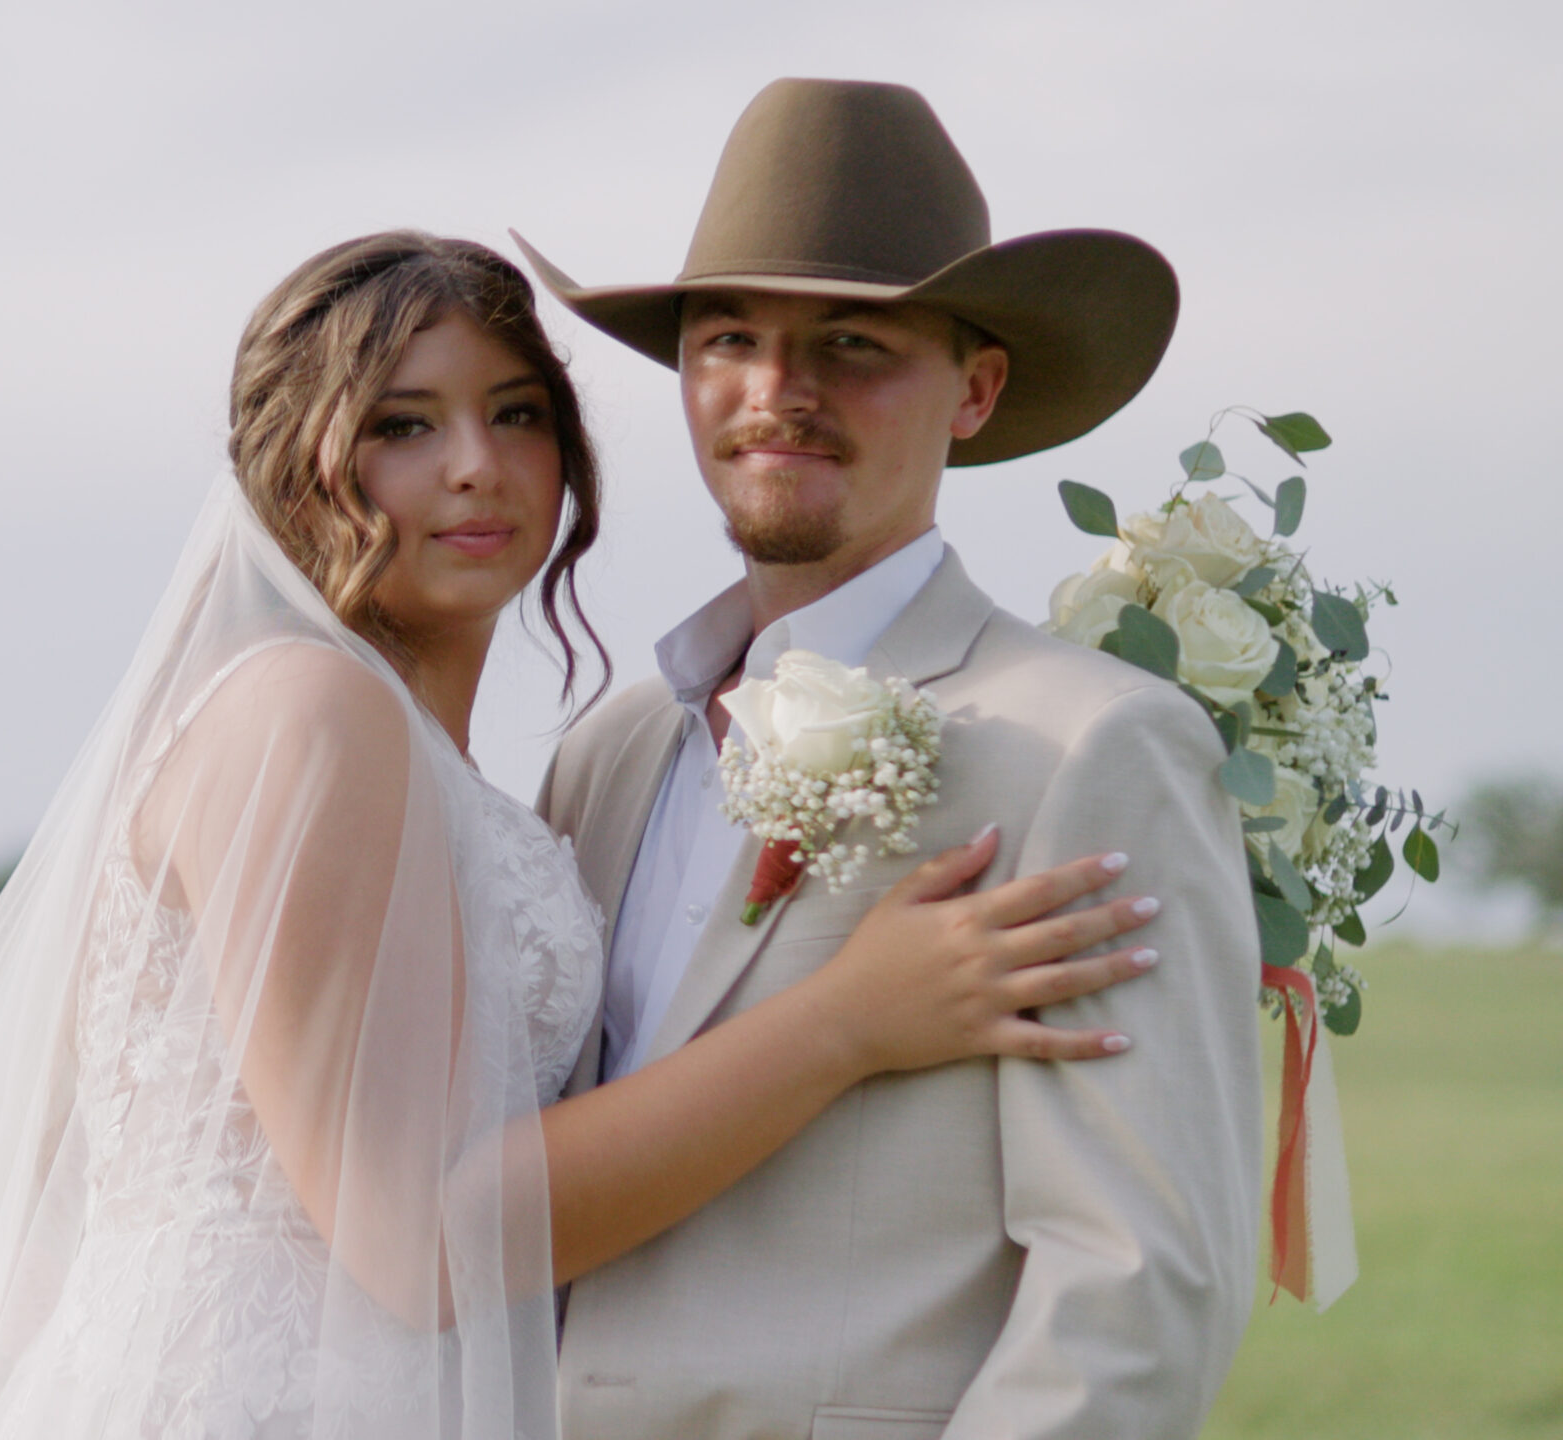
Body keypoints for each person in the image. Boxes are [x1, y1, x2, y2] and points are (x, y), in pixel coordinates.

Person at [0, 231, 1161, 1440]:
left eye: (517, 411)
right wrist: (845, 1020)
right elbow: (410, 1239)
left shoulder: (530, 762)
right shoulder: (305, 718)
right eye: (404, 425)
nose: (476, 465)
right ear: (298, 466)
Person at [514, 78, 1263, 1439]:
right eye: (729, 336)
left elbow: (1138, 1286)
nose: (777, 392)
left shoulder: (1092, 744)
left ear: (975, 391)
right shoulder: (608, 757)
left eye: (852, 342)